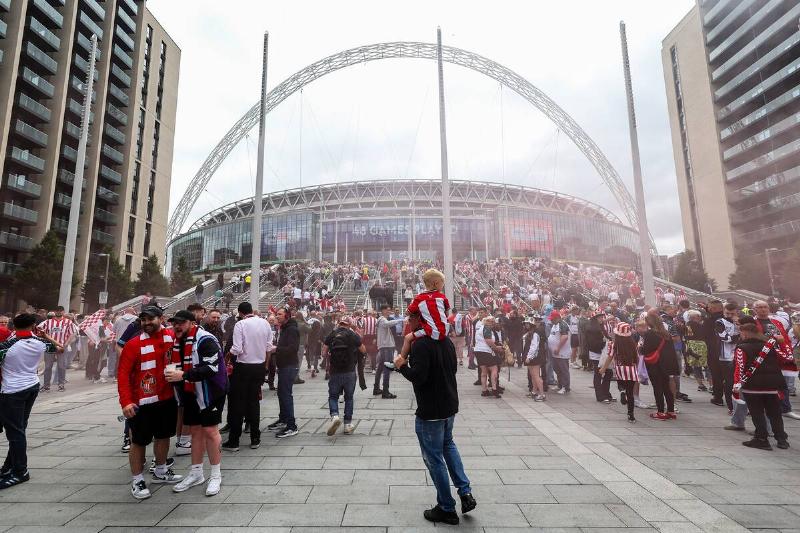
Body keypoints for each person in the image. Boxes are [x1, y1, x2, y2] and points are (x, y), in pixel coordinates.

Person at [394, 313, 476, 525]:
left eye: (411, 319)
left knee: (434, 458)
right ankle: (465, 492)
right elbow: (453, 369)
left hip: (431, 410)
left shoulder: (421, 345)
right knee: (448, 445)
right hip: (449, 404)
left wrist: (402, 365)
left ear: (419, 321)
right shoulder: (445, 341)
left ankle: (446, 508)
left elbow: (418, 377)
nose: (408, 323)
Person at [117, 306, 183, 500]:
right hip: (141, 402)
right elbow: (122, 375)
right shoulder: (133, 344)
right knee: (139, 442)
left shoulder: (172, 339)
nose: (146, 323)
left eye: (150, 319)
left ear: (161, 318)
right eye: (143, 320)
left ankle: (161, 470)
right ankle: (137, 480)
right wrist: (126, 402)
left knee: (163, 436)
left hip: (166, 398)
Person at [165, 310, 228, 496]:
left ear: (192, 323)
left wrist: (183, 375)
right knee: (195, 431)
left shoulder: (205, 339)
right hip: (191, 390)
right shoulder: (178, 340)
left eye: (182, 322)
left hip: (211, 390)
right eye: (175, 322)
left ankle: (216, 475)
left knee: (210, 430)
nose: (177, 326)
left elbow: (211, 368)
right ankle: (196, 473)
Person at [0, 313, 61, 489]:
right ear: (33, 325)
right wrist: (45, 335)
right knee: (20, 428)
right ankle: (8, 467)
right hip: (32, 386)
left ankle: (20, 471)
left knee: (15, 432)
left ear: (13, 327)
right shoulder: (40, 343)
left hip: (12, 390)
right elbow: (60, 348)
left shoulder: (9, 345)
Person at [734, 317, 791, 450]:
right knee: (775, 412)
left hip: (752, 386)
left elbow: (739, 367)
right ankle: (781, 439)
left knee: (757, 412)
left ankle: (761, 439)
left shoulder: (742, 348)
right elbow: (786, 357)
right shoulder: (770, 346)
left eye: (741, 333)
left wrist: (736, 385)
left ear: (745, 333)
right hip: (772, 385)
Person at [222, 302, 273, 451]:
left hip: (243, 367)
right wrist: (265, 366)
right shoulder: (265, 323)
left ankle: (234, 441)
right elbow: (269, 347)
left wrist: (228, 355)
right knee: (254, 402)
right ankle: (255, 438)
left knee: (238, 403)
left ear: (240, 313)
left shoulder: (241, 324)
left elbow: (237, 348)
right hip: (259, 366)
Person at [322, 316, 367, 435]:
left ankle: (335, 415)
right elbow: (363, 350)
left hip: (335, 371)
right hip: (349, 371)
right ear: (349, 324)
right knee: (349, 398)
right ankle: (347, 424)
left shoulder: (332, 334)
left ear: (339, 323)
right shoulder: (352, 334)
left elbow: (323, 352)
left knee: (333, 397)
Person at [395, 269, 450, 365]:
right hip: (444, 330)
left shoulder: (419, 298)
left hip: (429, 331)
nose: (443, 285)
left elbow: (408, 312)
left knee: (408, 338)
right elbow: (446, 313)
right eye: (442, 283)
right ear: (436, 283)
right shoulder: (442, 297)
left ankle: (400, 361)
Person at [267, 307, 300, 438]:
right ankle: (283, 419)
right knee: (281, 393)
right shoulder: (284, 328)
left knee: (286, 395)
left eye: (280, 314)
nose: (277, 316)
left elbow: (293, 348)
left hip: (289, 366)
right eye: (277, 314)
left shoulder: (292, 329)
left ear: (287, 316)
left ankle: (292, 426)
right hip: (283, 365)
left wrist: (276, 349)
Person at [641, 314, 679, 421]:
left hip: (655, 364)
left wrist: (640, 347)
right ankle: (671, 411)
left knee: (657, 387)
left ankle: (661, 411)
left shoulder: (650, 333)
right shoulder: (666, 334)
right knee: (666, 387)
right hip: (666, 364)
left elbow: (646, 350)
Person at [600, 322, 638, 423]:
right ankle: (631, 415)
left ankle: (622, 392)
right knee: (631, 393)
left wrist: (603, 368)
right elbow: (636, 357)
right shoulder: (632, 344)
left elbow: (610, 357)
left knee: (621, 384)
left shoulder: (614, 344)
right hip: (632, 370)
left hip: (620, 370)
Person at [37, 306, 77, 392]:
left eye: (60, 311)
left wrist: (66, 344)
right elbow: (39, 330)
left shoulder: (68, 322)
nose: (59, 312)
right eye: (57, 311)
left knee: (61, 366)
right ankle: (46, 385)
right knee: (48, 366)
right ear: (54, 312)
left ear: (63, 312)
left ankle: (61, 384)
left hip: (62, 346)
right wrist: (45, 340)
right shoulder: (48, 322)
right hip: (50, 346)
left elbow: (72, 334)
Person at [375, 305, 404, 398]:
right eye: (387, 310)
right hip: (386, 346)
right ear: (383, 310)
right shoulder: (383, 319)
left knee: (380, 367)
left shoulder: (381, 319)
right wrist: (400, 320)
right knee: (387, 368)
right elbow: (388, 324)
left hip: (384, 346)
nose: (389, 312)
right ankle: (385, 391)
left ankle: (376, 388)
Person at [523, 316, 547, 401]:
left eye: (527, 324)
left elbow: (534, 347)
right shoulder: (530, 333)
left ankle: (542, 394)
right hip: (531, 357)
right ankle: (534, 392)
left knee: (536, 376)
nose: (526, 325)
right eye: (525, 323)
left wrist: (529, 357)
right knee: (533, 376)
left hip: (535, 357)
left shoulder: (535, 334)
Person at [548, 310, 571, 394]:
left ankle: (565, 387)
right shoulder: (555, 325)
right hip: (555, 353)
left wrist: (558, 348)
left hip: (562, 352)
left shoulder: (563, 324)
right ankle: (560, 385)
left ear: (557, 318)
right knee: (557, 369)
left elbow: (564, 337)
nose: (551, 320)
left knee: (563, 369)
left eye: (552, 319)